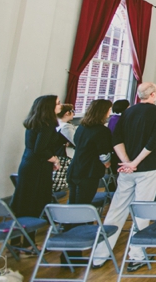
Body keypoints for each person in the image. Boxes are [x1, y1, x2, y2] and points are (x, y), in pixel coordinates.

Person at [91, 82, 156, 271]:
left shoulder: (128, 112)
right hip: (146, 168)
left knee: (116, 209)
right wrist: (135, 163)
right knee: (142, 210)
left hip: (126, 169)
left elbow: (116, 139)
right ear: (153, 95)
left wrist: (127, 162)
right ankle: (136, 255)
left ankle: (100, 254)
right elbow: (154, 141)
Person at [64, 99, 113, 266]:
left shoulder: (81, 127)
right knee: (81, 210)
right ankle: (73, 253)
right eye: (108, 110)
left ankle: (68, 252)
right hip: (88, 173)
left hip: (75, 170)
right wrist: (107, 163)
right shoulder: (102, 131)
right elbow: (103, 154)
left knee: (73, 208)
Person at [12, 95, 64, 250]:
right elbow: (40, 149)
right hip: (38, 168)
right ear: (49, 107)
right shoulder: (47, 125)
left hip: (28, 164)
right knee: (35, 204)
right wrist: (54, 159)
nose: (60, 105)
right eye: (58, 103)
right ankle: (29, 244)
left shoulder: (34, 123)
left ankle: (15, 242)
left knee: (23, 202)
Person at [53, 104, 76, 193]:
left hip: (56, 153)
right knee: (59, 184)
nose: (74, 114)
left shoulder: (55, 123)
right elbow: (76, 141)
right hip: (63, 156)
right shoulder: (66, 126)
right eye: (73, 112)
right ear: (67, 113)